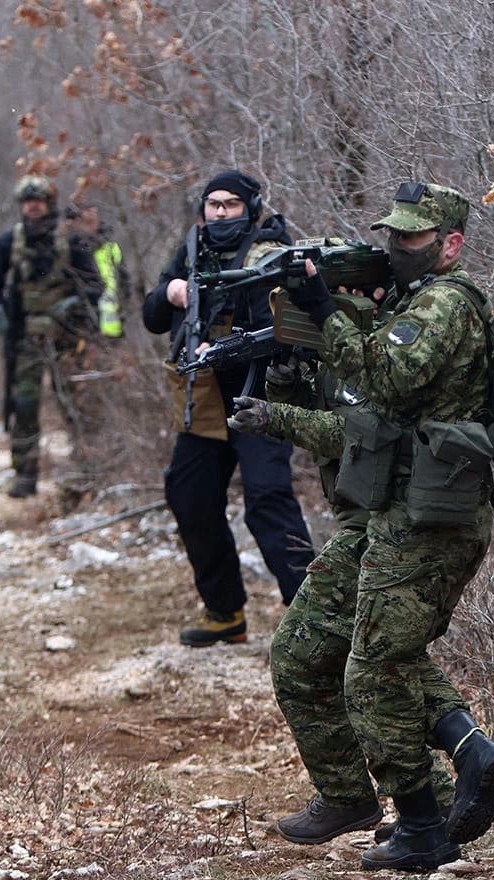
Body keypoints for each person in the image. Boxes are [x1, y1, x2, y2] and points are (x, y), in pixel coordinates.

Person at [234, 182, 494, 871]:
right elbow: (362, 413)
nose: (397, 246)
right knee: (312, 651)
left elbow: (385, 383)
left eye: (414, 237)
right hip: (390, 511)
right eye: (393, 234)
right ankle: (458, 764)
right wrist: (293, 359)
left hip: (431, 515)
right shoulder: (407, 303)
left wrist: (328, 313)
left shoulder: (447, 303)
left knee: (375, 668)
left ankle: (424, 823)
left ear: (450, 244)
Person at [141, 169, 316, 647]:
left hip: (259, 394)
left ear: (249, 208)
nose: (219, 213)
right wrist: (172, 292)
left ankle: (316, 620)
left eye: (230, 205)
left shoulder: (269, 251)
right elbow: (152, 316)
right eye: (213, 204)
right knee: (188, 494)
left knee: (267, 499)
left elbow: (280, 331)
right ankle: (224, 612)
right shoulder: (192, 248)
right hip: (205, 399)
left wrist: (226, 344)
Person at [0, 175, 101, 498]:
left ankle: (85, 467)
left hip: (67, 336)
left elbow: (94, 285)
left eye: (38, 201)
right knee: (24, 404)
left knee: (74, 401)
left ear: (49, 204)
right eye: (27, 201)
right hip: (26, 338)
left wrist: (73, 305)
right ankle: (25, 472)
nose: (33, 207)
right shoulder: (12, 240)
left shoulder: (71, 241)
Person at [67, 202, 126, 338]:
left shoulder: (110, 246)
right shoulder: (72, 247)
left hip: (111, 321)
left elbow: (124, 281)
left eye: (93, 217)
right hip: (80, 321)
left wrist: (124, 309)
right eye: (86, 219)